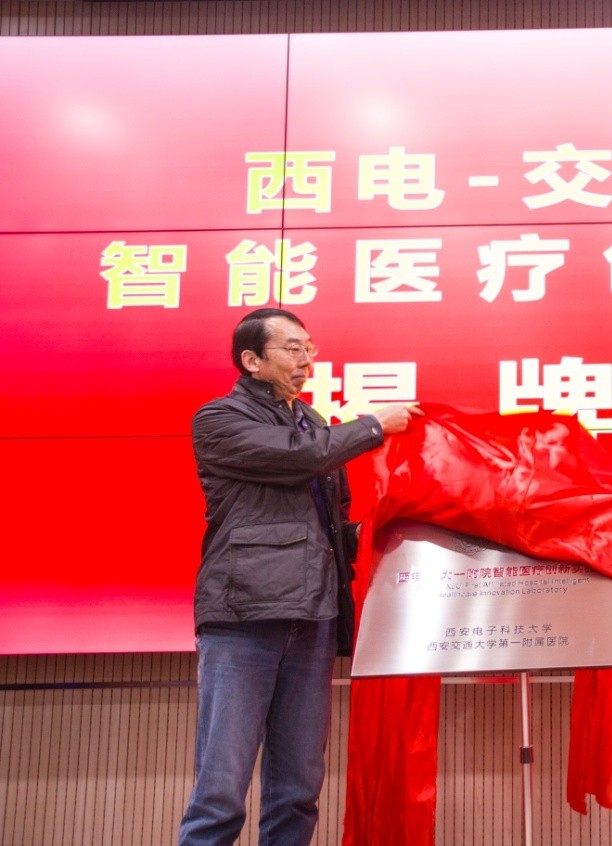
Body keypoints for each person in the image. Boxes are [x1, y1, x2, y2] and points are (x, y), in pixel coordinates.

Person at [178, 307, 422, 846]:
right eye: (292, 348)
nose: (306, 359)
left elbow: (329, 526)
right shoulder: (219, 420)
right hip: (244, 618)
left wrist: (388, 530)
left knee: (297, 791)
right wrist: (373, 426)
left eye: (309, 348)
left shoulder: (312, 422)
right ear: (252, 360)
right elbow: (296, 458)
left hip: (313, 618)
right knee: (221, 793)